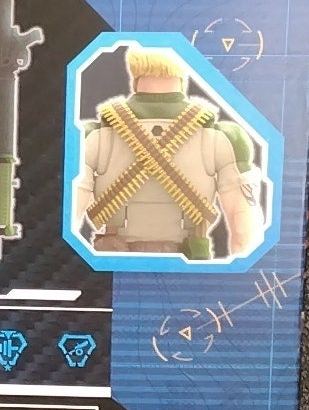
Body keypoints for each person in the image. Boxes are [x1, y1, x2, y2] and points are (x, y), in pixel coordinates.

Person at [73, 46, 262, 258]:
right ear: (183, 77)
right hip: (188, 264)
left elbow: (69, 217)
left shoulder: (90, 136)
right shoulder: (227, 138)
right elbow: (244, 229)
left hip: (115, 262)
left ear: (134, 78)